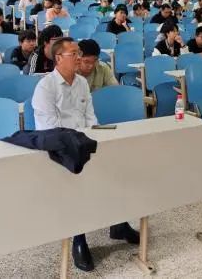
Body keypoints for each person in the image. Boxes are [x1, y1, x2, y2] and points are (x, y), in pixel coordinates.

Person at [32, 37, 138, 272]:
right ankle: (79, 238)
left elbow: (90, 116)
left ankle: (119, 222)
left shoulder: (81, 82)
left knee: (117, 164)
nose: (79, 58)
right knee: (78, 178)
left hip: (83, 139)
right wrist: (79, 141)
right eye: (74, 54)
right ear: (59, 58)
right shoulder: (45, 87)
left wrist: (93, 140)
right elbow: (50, 128)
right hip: (59, 147)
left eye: (79, 53)